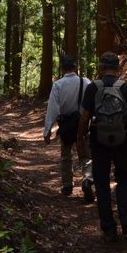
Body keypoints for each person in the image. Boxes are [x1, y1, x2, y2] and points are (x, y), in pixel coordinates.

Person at [77, 50, 127, 243]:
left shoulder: (93, 88)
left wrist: (80, 138)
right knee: (123, 178)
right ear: (118, 68)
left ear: (101, 68)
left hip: (99, 140)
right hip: (123, 140)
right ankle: (126, 218)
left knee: (101, 182)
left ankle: (108, 227)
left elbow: (84, 117)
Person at [43, 55, 95, 201]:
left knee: (66, 155)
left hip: (66, 125)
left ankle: (67, 185)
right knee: (86, 155)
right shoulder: (86, 82)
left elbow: (52, 108)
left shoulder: (58, 85)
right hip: (83, 124)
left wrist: (47, 131)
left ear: (62, 68)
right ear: (75, 67)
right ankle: (87, 179)